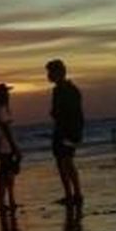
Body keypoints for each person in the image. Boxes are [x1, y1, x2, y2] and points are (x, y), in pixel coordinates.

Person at [47, 58, 83, 206]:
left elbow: (72, 113)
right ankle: (72, 193)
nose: (49, 75)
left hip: (66, 131)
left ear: (59, 72)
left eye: (51, 72)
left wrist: (73, 132)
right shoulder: (62, 90)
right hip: (65, 130)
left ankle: (74, 194)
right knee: (64, 162)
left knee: (65, 161)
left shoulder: (67, 90)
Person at [0, 83, 21, 211]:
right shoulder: (1, 108)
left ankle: (8, 201)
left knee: (6, 173)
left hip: (1, 144)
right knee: (6, 173)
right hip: (4, 145)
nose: (8, 94)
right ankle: (5, 202)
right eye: (6, 92)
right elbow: (6, 129)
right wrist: (15, 146)